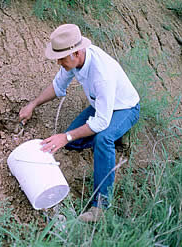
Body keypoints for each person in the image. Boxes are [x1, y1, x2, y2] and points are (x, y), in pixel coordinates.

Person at [19, 24, 140, 222]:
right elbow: (58, 86)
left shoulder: (102, 73)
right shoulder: (74, 61)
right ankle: (115, 136)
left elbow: (101, 122)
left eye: (61, 58)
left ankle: (101, 207)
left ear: (76, 52)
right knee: (74, 142)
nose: (59, 62)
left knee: (103, 138)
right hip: (102, 106)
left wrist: (65, 137)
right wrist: (33, 104)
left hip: (125, 108)